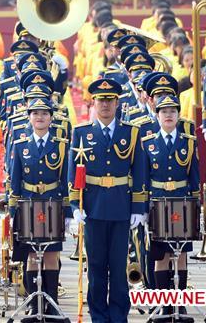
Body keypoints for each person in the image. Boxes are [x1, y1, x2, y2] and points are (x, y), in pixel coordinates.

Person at [69, 78, 148, 323]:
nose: (105, 105)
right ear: (93, 103)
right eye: (100, 100)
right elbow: (74, 171)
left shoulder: (131, 133)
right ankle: (99, 316)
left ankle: (118, 314)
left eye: (109, 100)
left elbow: (139, 171)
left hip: (121, 207)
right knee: (96, 267)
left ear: (117, 103)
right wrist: (74, 206)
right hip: (92, 207)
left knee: (118, 267)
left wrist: (138, 207)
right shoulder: (81, 133)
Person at [9, 95, 71, 316]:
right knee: (32, 256)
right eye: (35, 113)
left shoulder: (61, 145)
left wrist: (68, 212)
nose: (40, 117)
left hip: (52, 203)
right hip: (28, 204)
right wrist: (12, 210)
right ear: (29, 118)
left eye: (44, 113)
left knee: (51, 254)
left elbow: (66, 179)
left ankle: (52, 303)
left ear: (51, 118)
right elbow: (15, 180)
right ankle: (34, 302)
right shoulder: (21, 145)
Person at [138, 93, 199, 299]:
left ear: (179, 115)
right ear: (157, 116)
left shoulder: (189, 143)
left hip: (182, 204)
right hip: (158, 203)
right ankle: (164, 303)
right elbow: (143, 179)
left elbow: (195, 179)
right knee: (161, 257)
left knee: (181, 255)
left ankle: (178, 304)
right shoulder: (148, 143)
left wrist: (195, 208)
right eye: (164, 112)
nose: (168, 115)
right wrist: (144, 210)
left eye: (173, 111)